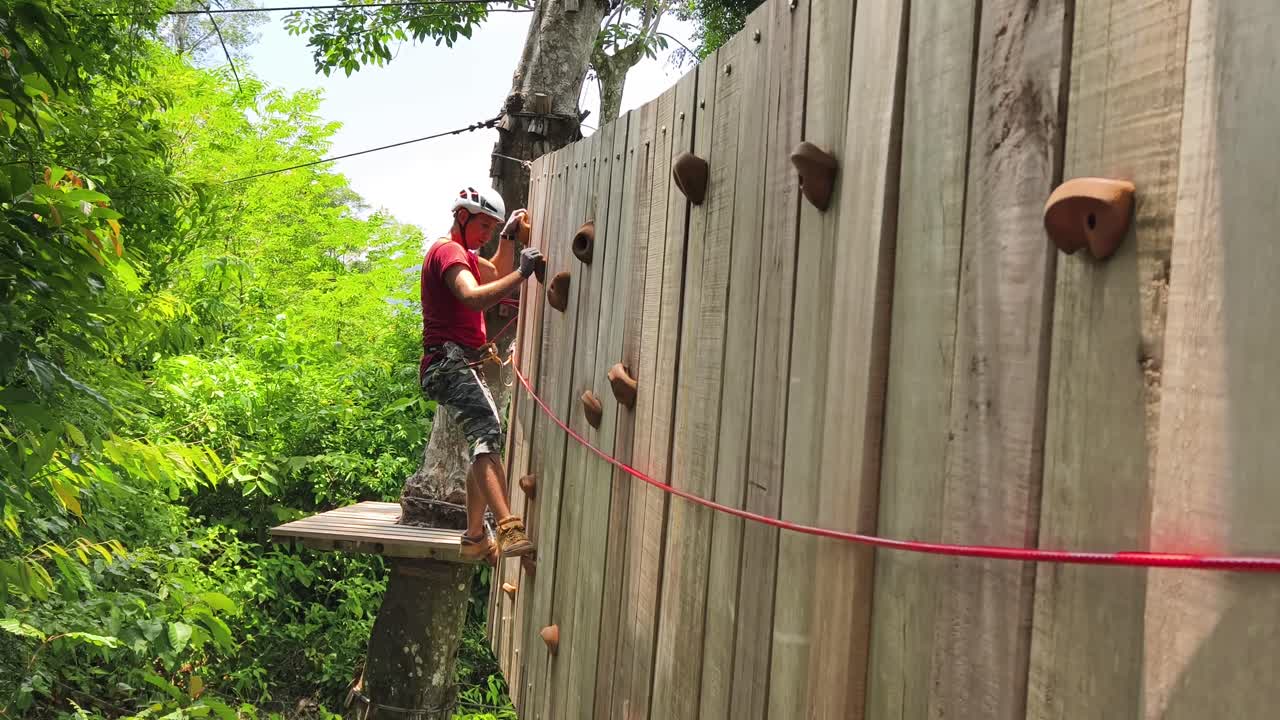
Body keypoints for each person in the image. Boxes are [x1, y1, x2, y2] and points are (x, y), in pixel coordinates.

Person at [419, 185, 544, 563]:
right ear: (462, 216)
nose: (487, 235)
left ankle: (475, 537)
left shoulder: (466, 255)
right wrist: (525, 274)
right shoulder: (448, 252)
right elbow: (473, 296)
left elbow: (497, 270)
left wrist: (508, 237)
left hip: (457, 363)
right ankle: (508, 528)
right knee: (487, 432)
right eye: (484, 226)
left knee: (483, 439)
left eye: (492, 229)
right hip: (449, 362)